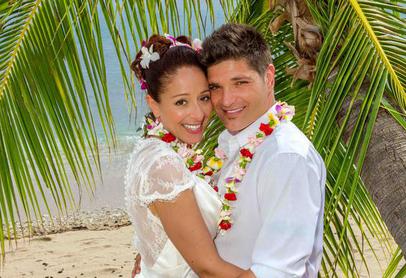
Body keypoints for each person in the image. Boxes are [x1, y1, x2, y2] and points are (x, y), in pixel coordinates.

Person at [199, 23, 326, 277]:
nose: (226, 100)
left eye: (240, 83)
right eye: (216, 87)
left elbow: (274, 273)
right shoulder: (232, 144)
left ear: (268, 77)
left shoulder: (286, 158)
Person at [125, 34, 243, 277]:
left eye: (203, 98)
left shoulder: (157, 150)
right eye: (181, 102)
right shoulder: (162, 164)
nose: (198, 113)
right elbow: (208, 268)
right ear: (154, 105)